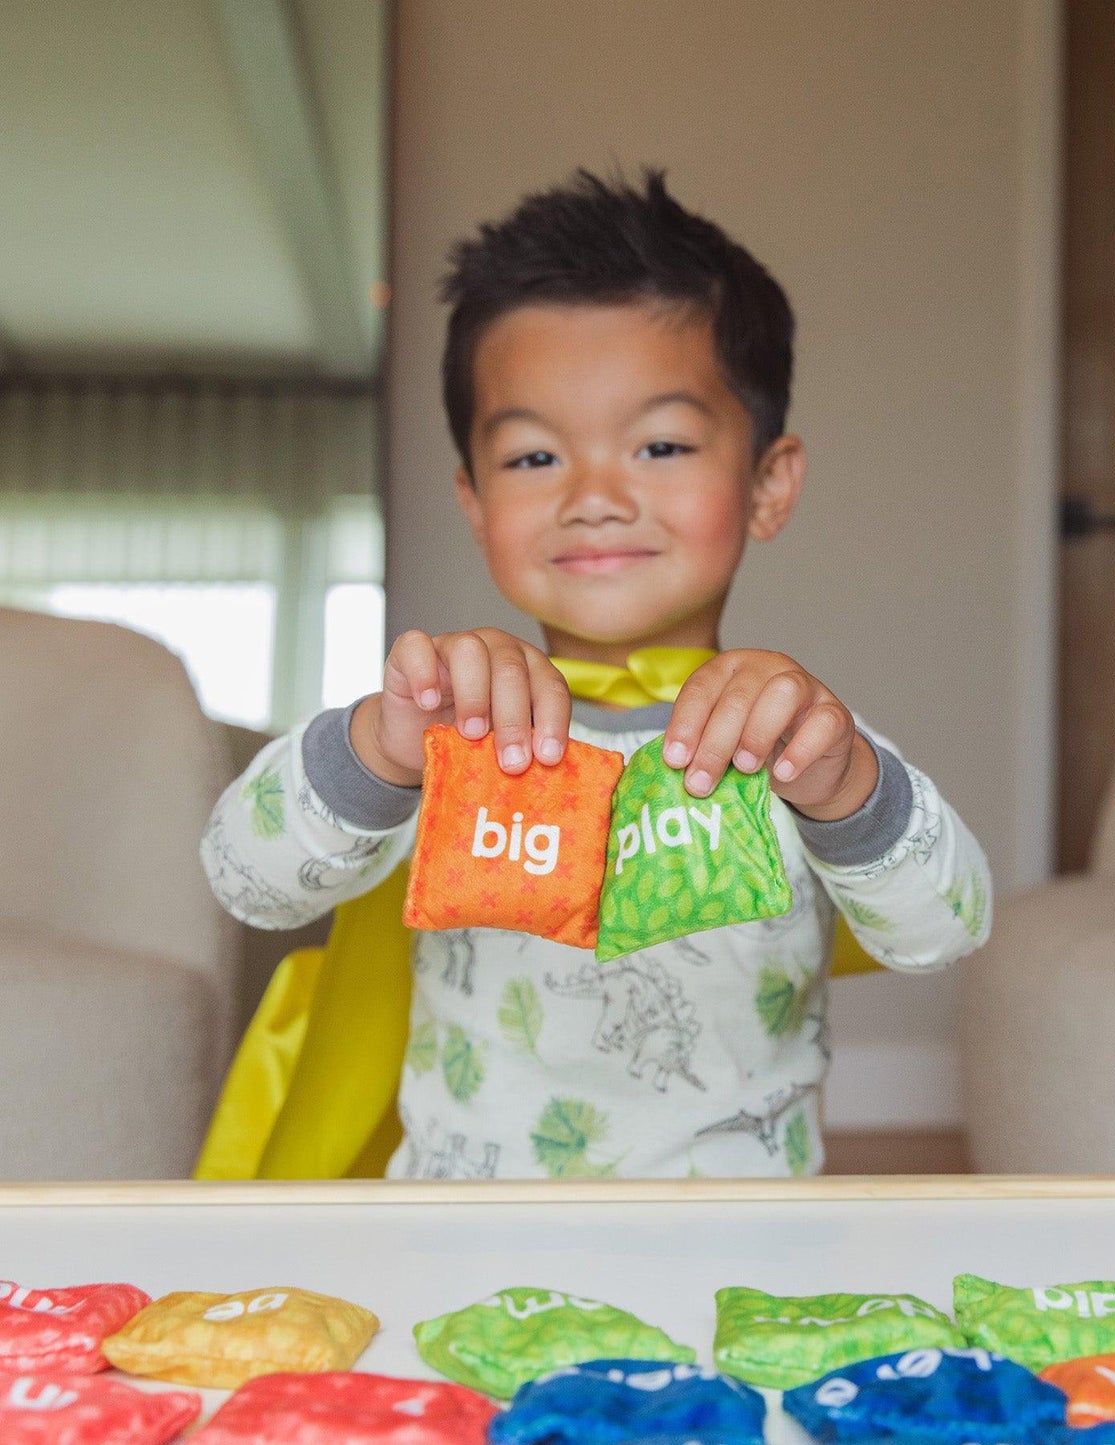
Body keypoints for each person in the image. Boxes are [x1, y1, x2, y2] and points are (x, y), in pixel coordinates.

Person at [202, 169, 991, 1180]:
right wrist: (382, 748)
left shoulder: (797, 740)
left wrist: (846, 789)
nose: (595, 496)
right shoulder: (447, 723)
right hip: (460, 1253)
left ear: (766, 482)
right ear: (475, 500)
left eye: (658, 443)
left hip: (733, 1263)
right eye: (534, 458)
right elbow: (243, 879)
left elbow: (943, 929)